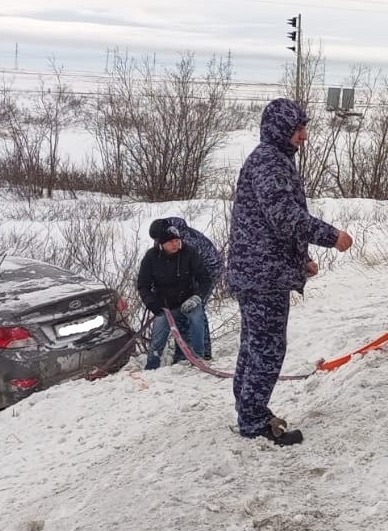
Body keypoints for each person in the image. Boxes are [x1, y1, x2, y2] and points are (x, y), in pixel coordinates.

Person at [227, 98, 353, 446]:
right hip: (261, 274)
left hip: (259, 270)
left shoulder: (271, 159)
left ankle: (249, 408)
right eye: (299, 129)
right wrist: (332, 237)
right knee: (267, 348)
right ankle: (252, 420)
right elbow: (285, 217)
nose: (305, 136)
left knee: (254, 344)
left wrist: (300, 260)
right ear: (282, 130)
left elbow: (270, 224)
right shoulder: (270, 163)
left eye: (304, 128)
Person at [137, 222, 213, 369]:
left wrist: (197, 297)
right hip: (164, 305)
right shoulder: (151, 257)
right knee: (159, 334)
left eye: (177, 241)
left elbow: (205, 279)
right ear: (161, 244)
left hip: (188, 300)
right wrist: (151, 302)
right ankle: (152, 364)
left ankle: (198, 356)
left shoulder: (189, 252)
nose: (175, 244)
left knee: (198, 320)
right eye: (171, 242)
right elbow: (143, 285)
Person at [149, 215, 222, 359]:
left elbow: (182, 267)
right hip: (196, 270)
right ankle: (185, 352)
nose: (157, 242)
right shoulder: (172, 234)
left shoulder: (184, 241)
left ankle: (201, 353)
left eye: (157, 239)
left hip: (207, 272)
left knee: (194, 309)